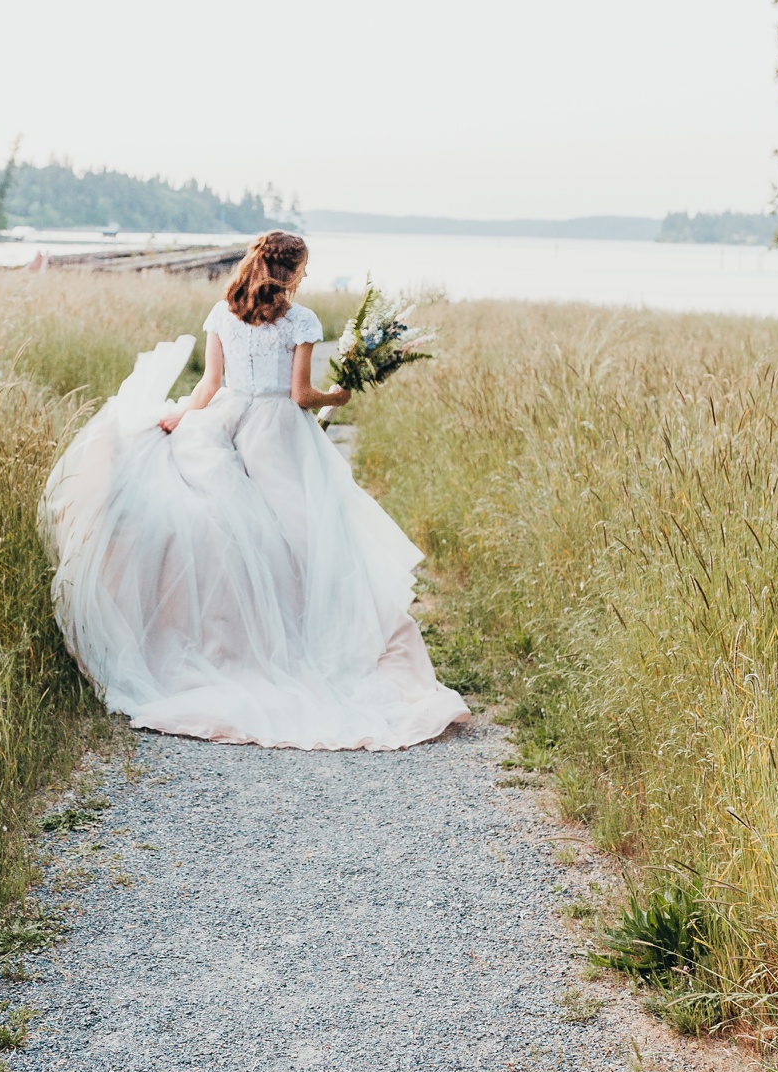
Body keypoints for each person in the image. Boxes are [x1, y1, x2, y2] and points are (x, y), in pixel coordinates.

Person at [39, 231, 469, 750]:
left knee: (239, 524)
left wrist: (179, 416)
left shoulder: (224, 311)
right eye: (304, 270)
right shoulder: (300, 321)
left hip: (223, 419)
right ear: (295, 272)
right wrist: (342, 393)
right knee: (304, 535)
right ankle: (306, 636)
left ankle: (239, 634)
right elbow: (301, 395)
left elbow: (209, 385)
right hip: (275, 431)